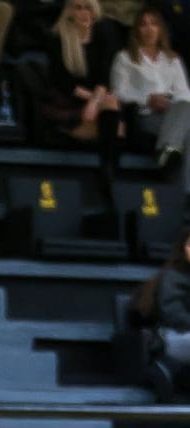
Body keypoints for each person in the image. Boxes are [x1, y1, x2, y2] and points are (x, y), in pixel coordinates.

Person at [43, 0, 124, 196]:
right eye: (77, 7)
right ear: (69, 11)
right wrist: (93, 100)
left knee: (115, 112)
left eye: (88, 7)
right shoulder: (58, 37)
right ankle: (110, 177)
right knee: (117, 125)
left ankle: (108, 174)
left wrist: (95, 101)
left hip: (97, 100)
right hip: (68, 100)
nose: (83, 12)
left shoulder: (103, 35)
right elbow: (62, 81)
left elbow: (105, 75)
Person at [112, 7, 190, 186]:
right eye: (144, 24)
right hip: (145, 114)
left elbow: (184, 93)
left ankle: (168, 151)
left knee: (185, 106)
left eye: (154, 24)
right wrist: (148, 98)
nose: (149, 29)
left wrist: (167, 101)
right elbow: (119, 91)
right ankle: (184, 192)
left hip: (173, 112)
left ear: (160, 29)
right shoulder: (124, 58)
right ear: (137, 30)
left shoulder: (173, 59)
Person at [147, 228, 190, 398]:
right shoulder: (172, 277)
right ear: (182, 249)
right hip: (173, 334)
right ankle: (165, 367)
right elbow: (172, 313)